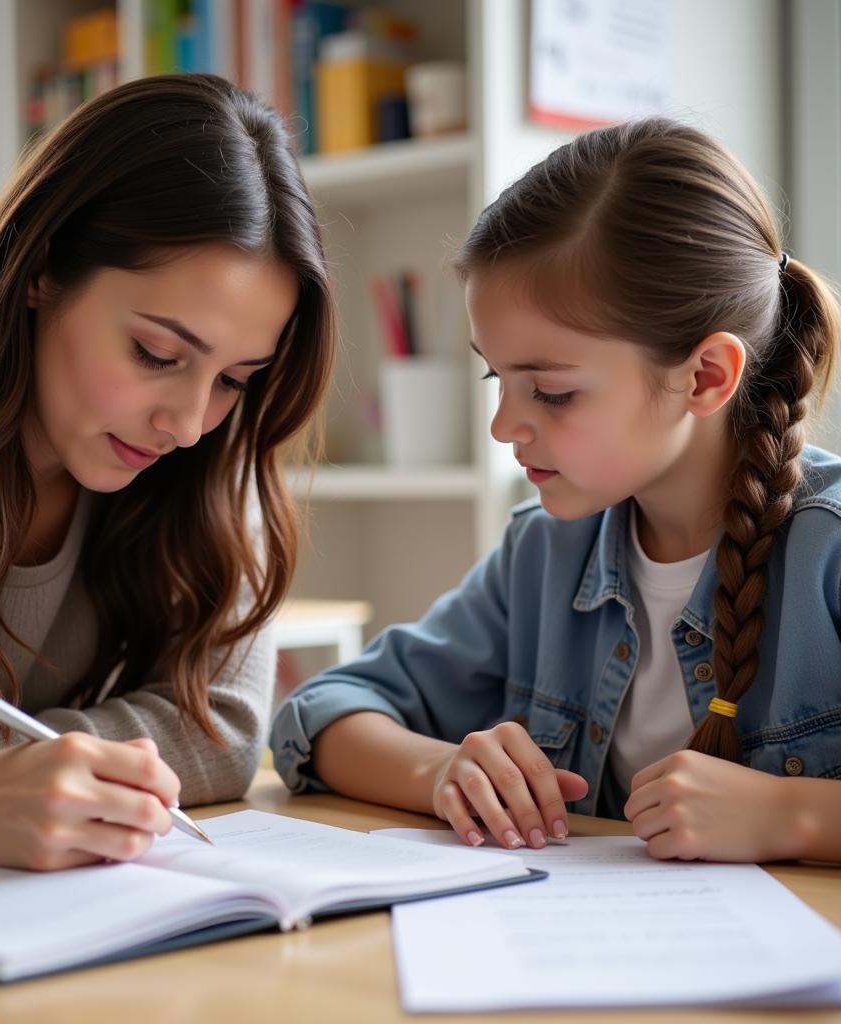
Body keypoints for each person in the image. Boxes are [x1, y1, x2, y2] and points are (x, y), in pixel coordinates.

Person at [272, 117, 841, 864]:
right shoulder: (544, 552)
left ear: (705, 377)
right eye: (495, 377)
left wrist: (794, 815)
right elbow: (321, 714)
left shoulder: (826, 549)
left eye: (552, 392)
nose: (505, 426)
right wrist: (441, 768)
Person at [0, 74, 334, 870]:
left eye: (235, 378)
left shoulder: (205, 460)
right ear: (42, 266)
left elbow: (221, 728)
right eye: (157, 354)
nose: (189, 422)